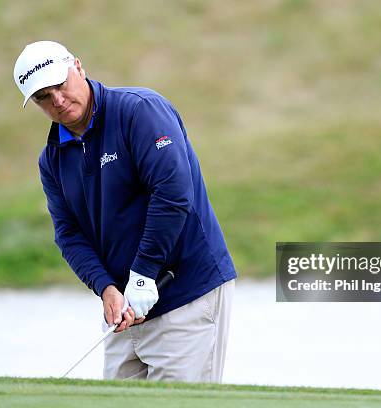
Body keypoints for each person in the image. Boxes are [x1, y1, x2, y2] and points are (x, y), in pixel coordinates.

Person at [13, 41, 237, 382]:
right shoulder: (53, 159)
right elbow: (69, 234)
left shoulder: (139, 112)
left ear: (78, 66)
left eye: (60, 84)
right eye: (43, 96)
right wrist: (105, 288)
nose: (57, 100)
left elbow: (173, 194)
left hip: (184, 295)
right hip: (124, 312)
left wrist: (143, 273)